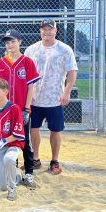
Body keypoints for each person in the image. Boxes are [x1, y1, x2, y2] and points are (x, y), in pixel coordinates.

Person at [24, 19, 78, 174]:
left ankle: (54, 160)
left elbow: (72, 71)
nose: (47, 32)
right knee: (33, 129)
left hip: (55, 98)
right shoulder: (32, 49)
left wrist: (67, 92)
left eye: (50, 29)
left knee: (55, 130)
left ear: (55, 31)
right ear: (40, 31)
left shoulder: (64, 49)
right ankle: (35, 158)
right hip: (34, 98)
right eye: (44, 29)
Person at [0, 29, 40, 189]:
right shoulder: (0, 62)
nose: (10, 45)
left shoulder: (27, 62)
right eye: (7, 42)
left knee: (25, 141)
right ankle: (13, 172)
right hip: (6, 111)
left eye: (13, 41)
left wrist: (27, 108)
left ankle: (28, 173)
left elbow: (31, 86)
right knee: (9, 142)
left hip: (21, 109)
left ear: (20, 42)